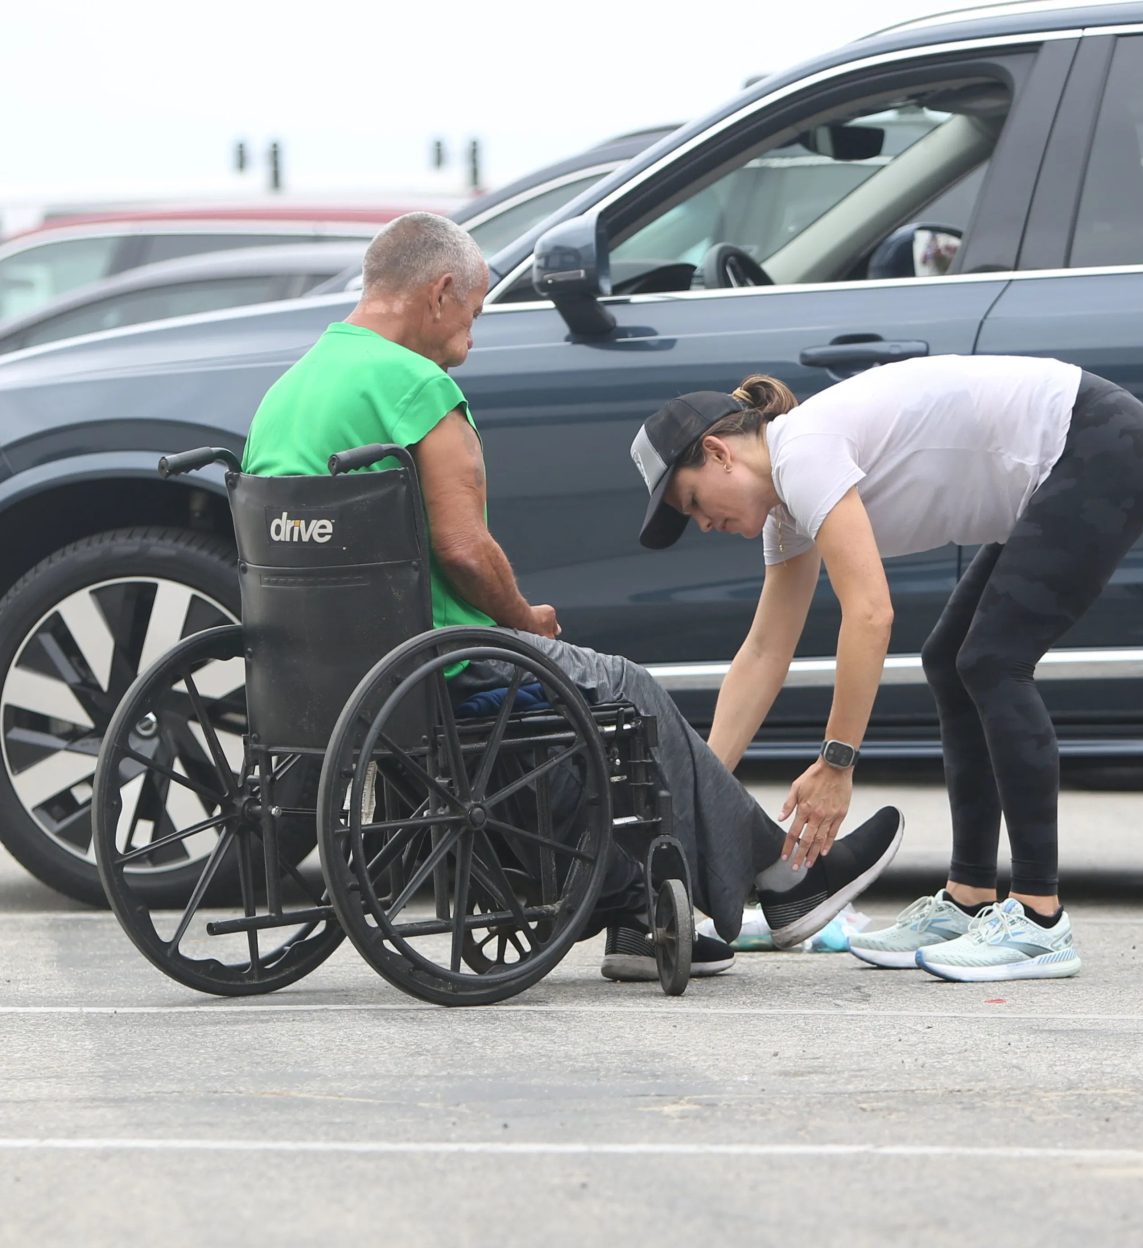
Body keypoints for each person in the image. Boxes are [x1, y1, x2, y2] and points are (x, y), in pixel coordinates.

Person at [242, 211, 904, 983]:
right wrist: (526, 620)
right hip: (431, 671)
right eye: (477, 312)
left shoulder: (289, 389)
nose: (471, 337)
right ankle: (782, 875)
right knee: (623, 692)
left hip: (310, 675)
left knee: (552, 716)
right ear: (443, 291)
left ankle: (630, 913)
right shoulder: (417, 385)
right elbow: (462, 548)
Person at [630, 356, 1143, 982]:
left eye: (694, 501)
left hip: (1099, 444)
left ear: (719, 452)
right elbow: (763, 653)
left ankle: (1040, 918)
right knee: (951, 661)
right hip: (1070, 455)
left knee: (994, 661)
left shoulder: (803, 452)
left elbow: (870, 614)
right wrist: (703, 792)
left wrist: (837, 762)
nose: (703, 523)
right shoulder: (787, 506)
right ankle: (969, 899)